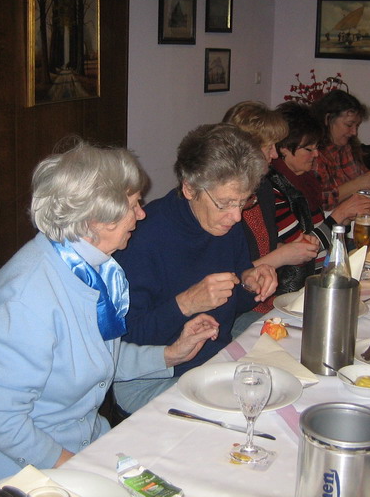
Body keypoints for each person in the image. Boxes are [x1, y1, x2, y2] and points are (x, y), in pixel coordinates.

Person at [0, 142, 219, 485]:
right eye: (134, 205)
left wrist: (169, 354)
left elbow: (98, 361)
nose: (142, 215)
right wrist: (72, 465)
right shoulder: (28, 299)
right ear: (97, 217)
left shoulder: (97, 271)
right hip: (20, 464)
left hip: (83, 441)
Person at [113, 124, 278, 414]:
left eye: (243, 202)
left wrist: (249, 283)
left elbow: (231, 305)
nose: (236, 217)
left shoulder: (225, 224)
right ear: (190, 188)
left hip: (214, 363)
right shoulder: (143, 239)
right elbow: (124, 341)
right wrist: (186, 304)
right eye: (225, 204)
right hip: (154, 378)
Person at [222, 102, 319, 319]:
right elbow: (228, 275)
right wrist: (283, 255)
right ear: (247, 151)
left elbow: (263, 247)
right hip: (239, 309)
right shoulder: (224, 201)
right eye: (269, 148)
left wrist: (293, 247)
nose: (274, 155)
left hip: (269, 299)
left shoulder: (263, 187)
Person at [271, 101, 370, 270]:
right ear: (283, 149)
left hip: (322, 271)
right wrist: (339, 215)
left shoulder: (305, 181)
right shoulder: (274, 190)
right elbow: (301, 251)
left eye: (317, 147)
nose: (316, 154)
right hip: (299, 284)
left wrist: (344, 221)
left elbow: (321, 235)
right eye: (308, 149)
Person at [311, 89, 370, 209]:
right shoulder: (314, 153)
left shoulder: (347, 147)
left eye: (357, 126)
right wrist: (358, 184)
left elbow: (364, 178)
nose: (354, 132)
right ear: (328, 119)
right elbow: (317, 202)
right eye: (349, 125)